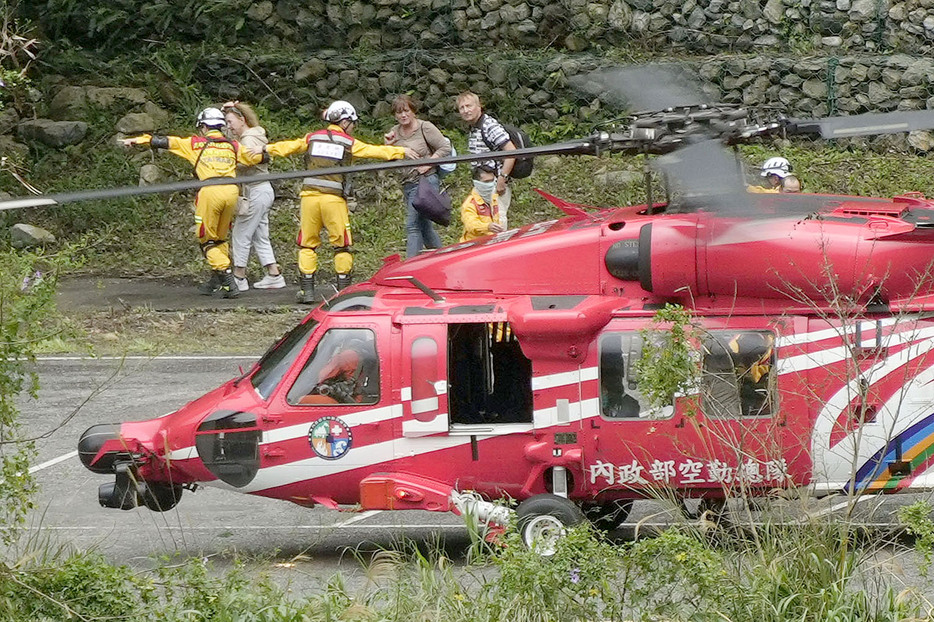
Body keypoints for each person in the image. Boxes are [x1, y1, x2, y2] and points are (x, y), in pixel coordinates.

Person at [254, 100, 415, 303]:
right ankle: (343, 292)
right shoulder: (348, 142)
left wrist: (266, 149)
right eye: (353, 123)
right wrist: (401, 151)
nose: (354, 127)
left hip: (309, 199)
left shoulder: (313, 137)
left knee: (307, 245)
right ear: (345, 121)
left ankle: (307, 291)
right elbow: (372, 151)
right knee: (341, 246)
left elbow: (289, 147)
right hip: (333, 201)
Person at [122, 107, 258, 298]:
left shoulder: (195, 144)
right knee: (220, 238)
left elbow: (163, 141)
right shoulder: (233, 145)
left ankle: (228, 280)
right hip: (231, 192)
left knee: (207, 241)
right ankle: (215, 281)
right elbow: (258, 157)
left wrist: (137, 140)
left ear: (203, 127)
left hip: (210, 192)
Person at [222, 101, 285, 291]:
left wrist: (225, 164)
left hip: (256, 190)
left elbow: (246, 161)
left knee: (241, 234)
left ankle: (239, 276)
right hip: (261, 189)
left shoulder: (249, 140)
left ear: (242, 120)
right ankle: (274, 274)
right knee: (260, 235)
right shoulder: (253, 135)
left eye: (230, 122)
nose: (229, 127)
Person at [384, 94, 451, 258]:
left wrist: (428, 163)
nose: (403, 115)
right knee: (425, 225)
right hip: (407, 183)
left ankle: (410, 266)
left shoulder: (424, 127)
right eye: (399, 113)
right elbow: (391, 157)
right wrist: (387, 146)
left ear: (413, 111)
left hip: (425, 182)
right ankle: (441, 258)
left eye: (406, 111)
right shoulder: (394, 132)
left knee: (412, 225)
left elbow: (445, 148)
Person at [457, 91, 517, 229]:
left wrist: (502, 178)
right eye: (462, 108)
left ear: (479, 107)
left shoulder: (489, 126)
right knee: (484, 222)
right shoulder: (474, 127)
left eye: (469, 106)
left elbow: (511, 151)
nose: (466, 110)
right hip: (482, 185)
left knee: (498, 224)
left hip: (495, 184)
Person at [460, 173, 504, 242]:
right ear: (477, 183)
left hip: (491, 241)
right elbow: (471, 225)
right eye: (486, 182)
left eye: (492, 181)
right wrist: (487, 227)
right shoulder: (470, 204)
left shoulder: (493, 198)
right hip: (473, 245)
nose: (490, 184)